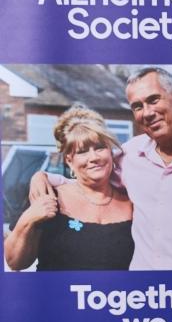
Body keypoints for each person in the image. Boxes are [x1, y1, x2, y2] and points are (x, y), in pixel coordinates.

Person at [31, 66, 172, 270]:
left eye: (154, 100)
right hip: (145, 295)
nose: (147, 113)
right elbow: (92, 175)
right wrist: (43, 177)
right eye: (137, 106)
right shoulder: (131, 154)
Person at [4, 105, 133, 271]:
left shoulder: (131, 202)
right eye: (82, 151)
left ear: (110, 152)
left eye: (100, 148)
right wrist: (28, 219)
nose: (93, 157)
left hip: (113, 296)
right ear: (69, 160)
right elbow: (15, 262)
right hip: (56, 296)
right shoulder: (49, 197)